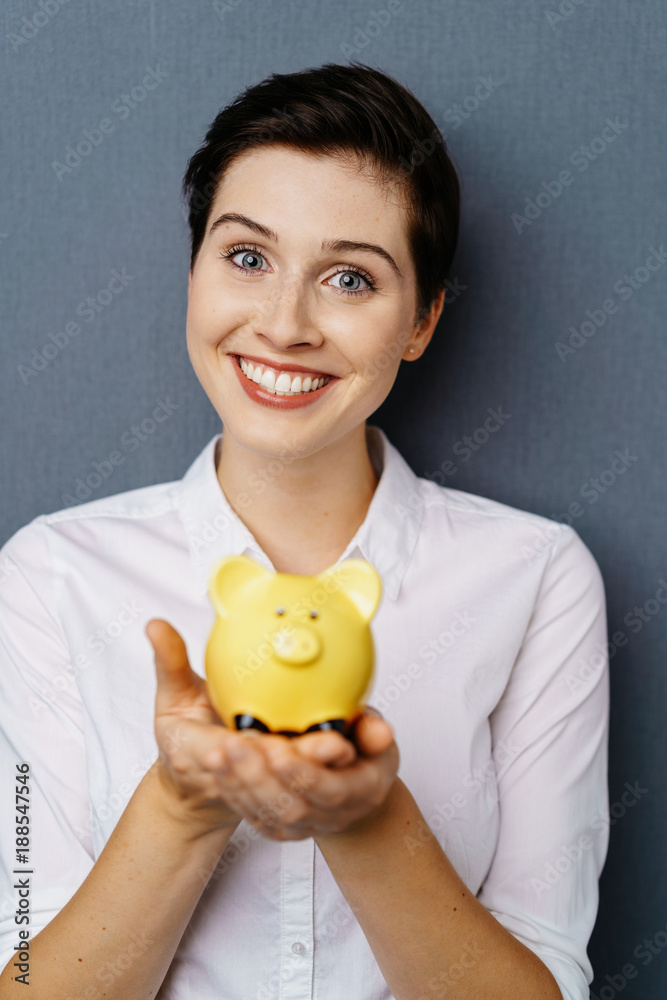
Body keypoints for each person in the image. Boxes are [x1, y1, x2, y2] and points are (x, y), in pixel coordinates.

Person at [0, 62, 609, 999]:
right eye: (246, 257)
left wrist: (365, 816)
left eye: (350, 278)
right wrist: (184, 802)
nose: (283, 325)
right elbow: (28, 980)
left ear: (422, 320)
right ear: (195, 269)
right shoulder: (50, 575)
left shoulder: (532, 578)